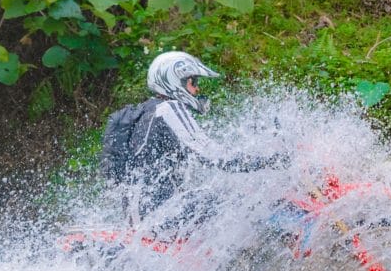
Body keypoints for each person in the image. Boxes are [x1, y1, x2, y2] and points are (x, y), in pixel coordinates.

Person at [101, 50, 287, 225]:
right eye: (193, 82)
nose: (197, 90)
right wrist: (271, 161)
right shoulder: (169, 109)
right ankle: (285, 230)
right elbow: (214, 156)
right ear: (176, 82)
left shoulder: (147, 111)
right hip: (157, 216)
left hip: (140, 216)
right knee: (241, 199)